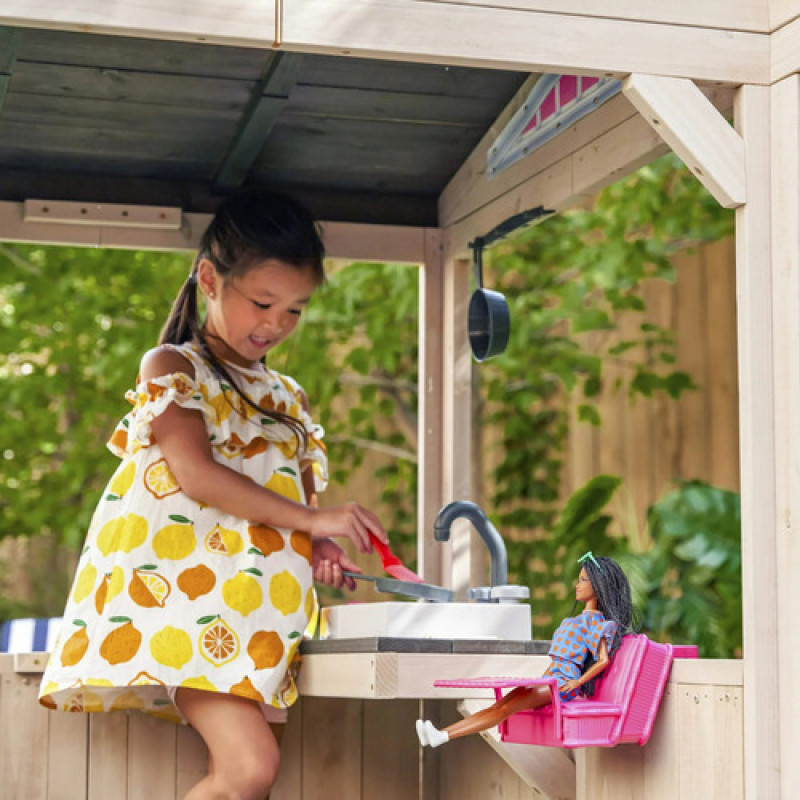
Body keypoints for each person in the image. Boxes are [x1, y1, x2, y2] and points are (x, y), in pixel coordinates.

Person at [39, 188, 387, 799]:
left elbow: (297, 516)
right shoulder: (173, 367)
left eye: (296, 311)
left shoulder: (289, 400)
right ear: (209, 279)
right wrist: (315, 517)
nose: (277, 324)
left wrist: (319, 547)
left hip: (254, 614)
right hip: (188, 607)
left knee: (250, 772)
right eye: (263, 303)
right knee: (250, 768)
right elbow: (196, 475)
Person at [416, 553, 634, 748]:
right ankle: (442, 733)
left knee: (504, 710)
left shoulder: (597, 624)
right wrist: (541, 679)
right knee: (500, 705)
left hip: (562, 684)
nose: (577, 585)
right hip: (550, 678)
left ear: (598, 585)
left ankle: (443, 736)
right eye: (579, 579)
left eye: (584, 580)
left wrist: (577, 682)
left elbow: (602, 660)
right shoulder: (574, 621)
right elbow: (557, 659)